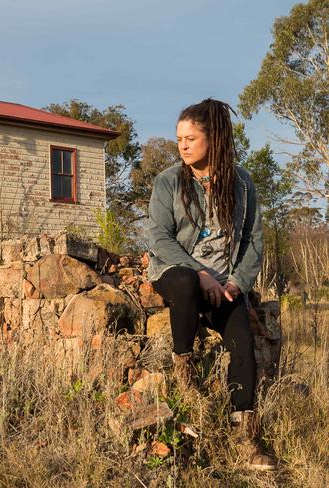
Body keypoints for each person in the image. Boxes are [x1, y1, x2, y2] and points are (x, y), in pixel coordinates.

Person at [146, 98, 276, 471]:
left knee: (242, 337)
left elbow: (253, 240)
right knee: (186, 282)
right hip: (175, 272)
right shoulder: (169, 180)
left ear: (213, 139)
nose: (182, 145)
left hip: (225, 283)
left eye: (190, 138)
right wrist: (200, 273)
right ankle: (185, 374)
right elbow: (159, 237)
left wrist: (236, 283)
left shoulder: (242, 183)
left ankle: (247, 436)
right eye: (179, 139)